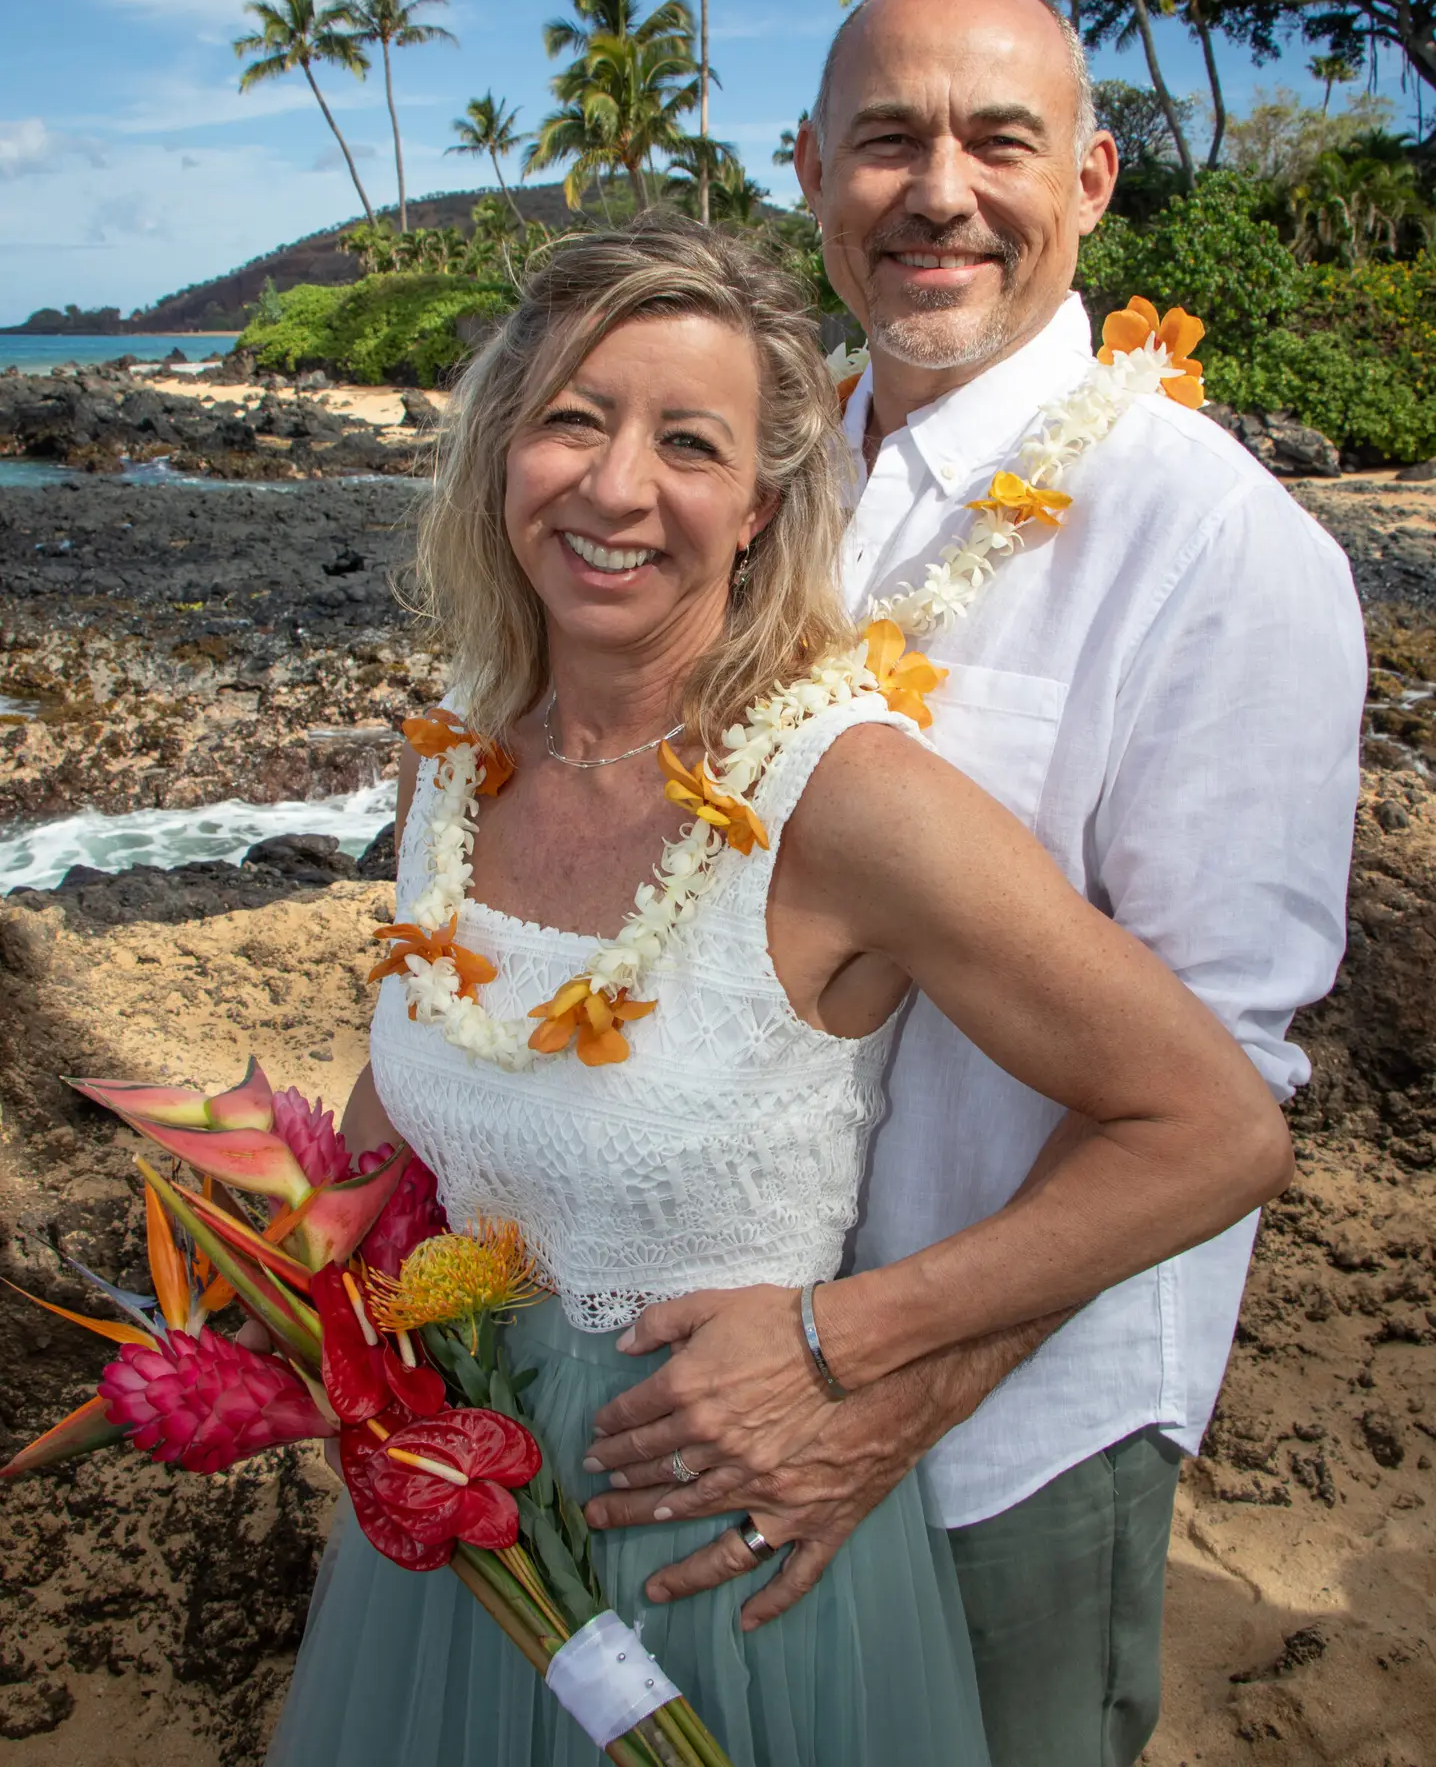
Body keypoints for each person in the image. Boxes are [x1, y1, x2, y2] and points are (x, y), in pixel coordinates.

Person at [265, 216, 1296, 1767]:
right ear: (500, 455)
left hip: (713, 1542)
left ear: (758, 505)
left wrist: (839, 1339)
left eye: (688, 443)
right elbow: (415, 1079)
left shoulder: (843, 798)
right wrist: (312, 1285)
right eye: (571, 419)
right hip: (457, 1521)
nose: (616, 487)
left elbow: (1214, 1129)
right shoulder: (455, 759)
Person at [581, 0, 1367, 1767]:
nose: (939, 192)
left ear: (1089, 180)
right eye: (886, 140)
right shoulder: (747, 480)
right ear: (808, 172)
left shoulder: (1215, 546)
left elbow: (1220, 1082)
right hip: (694, 1369)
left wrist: (874, 1375)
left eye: (996, 141)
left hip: (997, 1429)